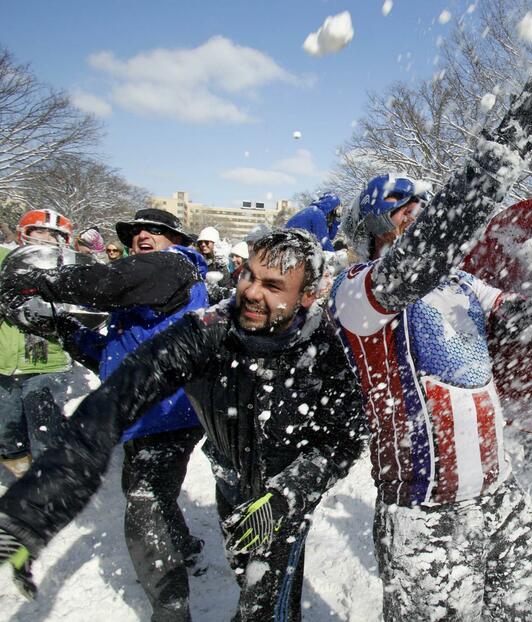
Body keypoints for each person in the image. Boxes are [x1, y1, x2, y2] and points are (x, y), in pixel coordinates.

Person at [328, 42, 532, 621]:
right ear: (373, 220)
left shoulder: (464, 285)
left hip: (501, 498)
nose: (419, 212)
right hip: (424, 513)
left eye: (424, 204)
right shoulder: (358, 291)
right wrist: (517, 132)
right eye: (403, 206)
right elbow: (418, 260)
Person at [0, 229, 366, 621]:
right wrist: (33, 509)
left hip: (284, 494)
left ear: (307, 295)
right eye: (249, 276)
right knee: (244, 573)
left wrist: (289, 493)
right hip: (231, 481)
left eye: (273, 285)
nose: (252, 292)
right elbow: (111, 404)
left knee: (267, 607)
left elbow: (344, 440)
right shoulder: (207, 329)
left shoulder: (326, 350)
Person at [0, 208, 209, 617]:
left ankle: (171, 611)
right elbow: (109, 358)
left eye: (157, 231)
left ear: (177, 240)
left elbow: (106, 282)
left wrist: (39, 280)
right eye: (135, 233)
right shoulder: (140, 292)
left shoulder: (175, 265)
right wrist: (62, 328)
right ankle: (186, 547)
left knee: (142, 507)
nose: (142, 237)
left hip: (167, 414)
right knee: (152, 490)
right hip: (141, 416)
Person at [0, 210, 77, 479]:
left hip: (49, 360)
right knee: (6, 429)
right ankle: (20, 469)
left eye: (56, 234)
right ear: (25, 233)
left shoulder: (69, 267)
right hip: (4, 361)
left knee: (44, 426)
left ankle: (48, 482)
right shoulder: (3, 259)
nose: (48, 239)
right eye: (41, 231)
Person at [196, 226, 232, 303]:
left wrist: (210, 287)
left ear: (215, 244)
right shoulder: (196, 260)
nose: (203, 245)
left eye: (206, 242)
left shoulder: (220, 265)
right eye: (200, 242)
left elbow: (226, 293)